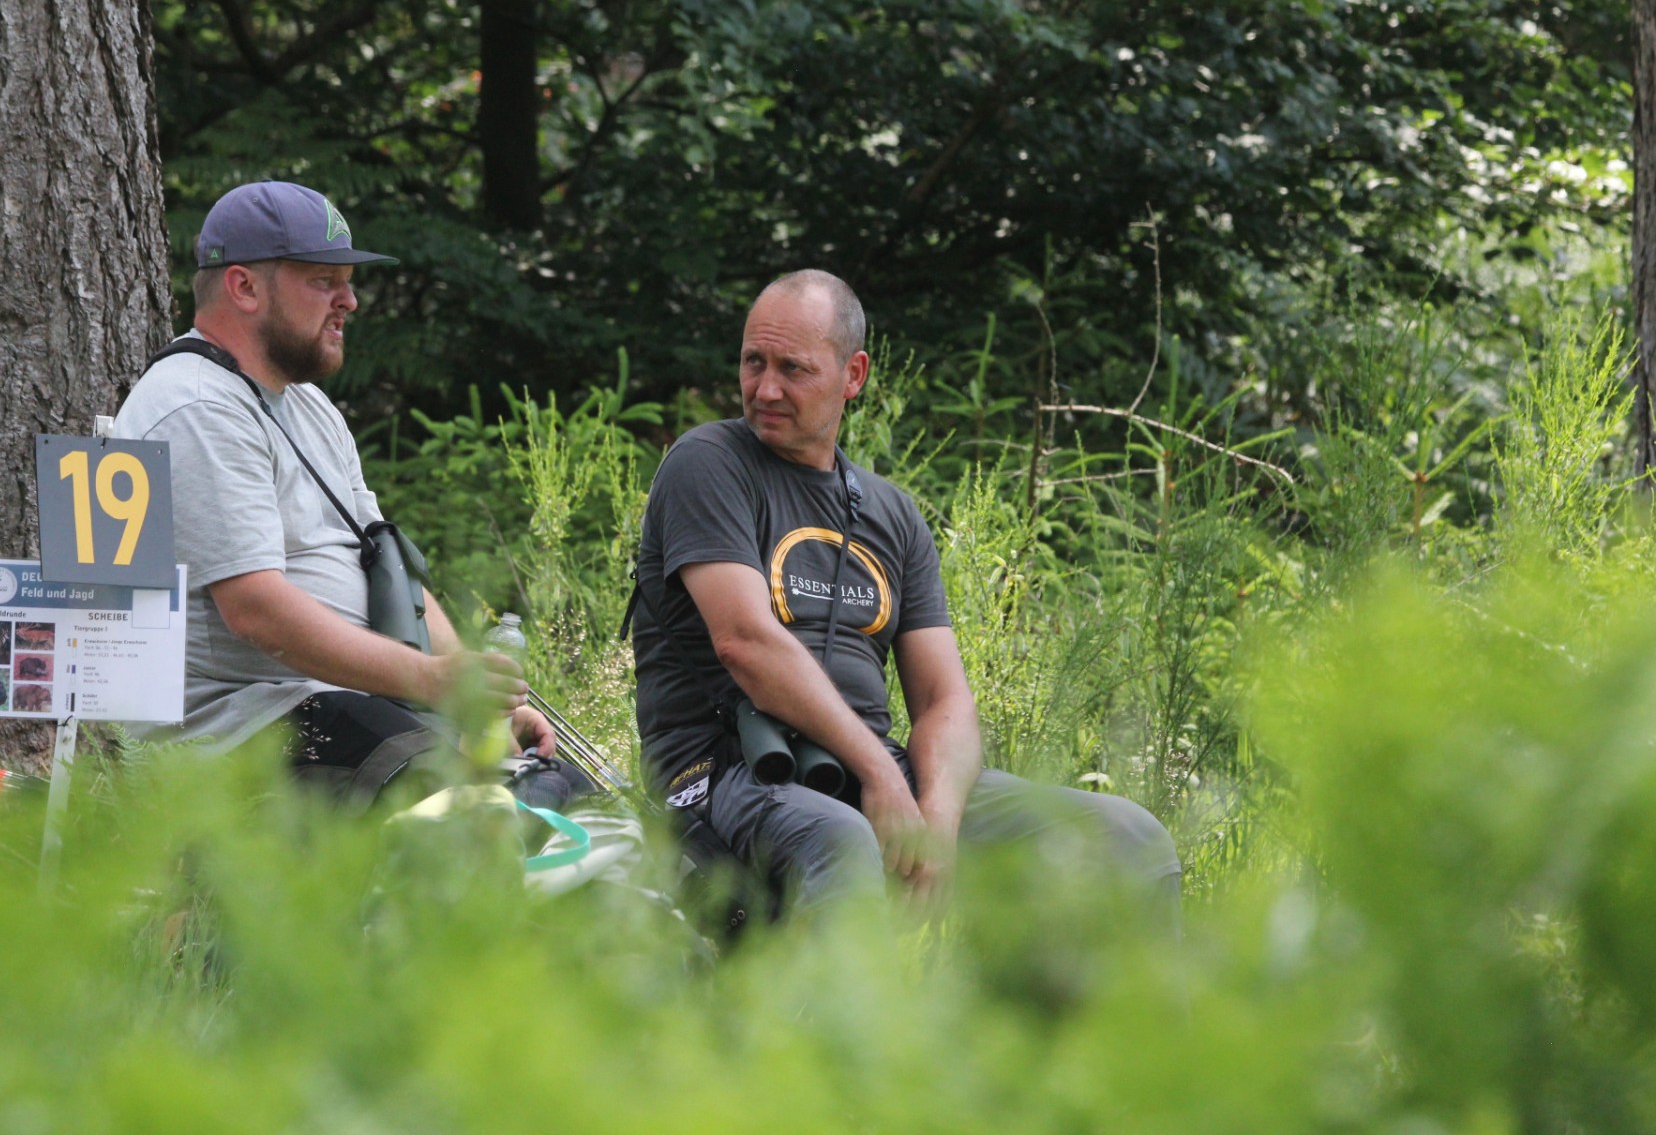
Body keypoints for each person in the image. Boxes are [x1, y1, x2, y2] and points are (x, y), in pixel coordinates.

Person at [631, 269, 1181, 921]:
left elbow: (945, 700)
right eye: (754, 362)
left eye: (793, 369)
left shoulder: (892, 514)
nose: (766, 388)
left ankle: (1080, 991)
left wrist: (937, 822)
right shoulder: (708, 461)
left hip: (867, 772)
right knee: (844, 839)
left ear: (853, 375)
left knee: (1130, 838)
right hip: (726, 772)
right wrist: (881, 775)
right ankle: (837, 993)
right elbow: (745, 642)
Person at [115, 180, 556, 805]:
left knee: (557, 792)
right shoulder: (196, 405)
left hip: (339, 704)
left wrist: (477, 707)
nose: (349, 300)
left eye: (347, 281)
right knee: (479, 812)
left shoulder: (309, 406)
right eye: (324, 281)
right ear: (244, 287)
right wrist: (432, 681)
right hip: (244, 726)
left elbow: (388, 569)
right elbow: (256, 611)